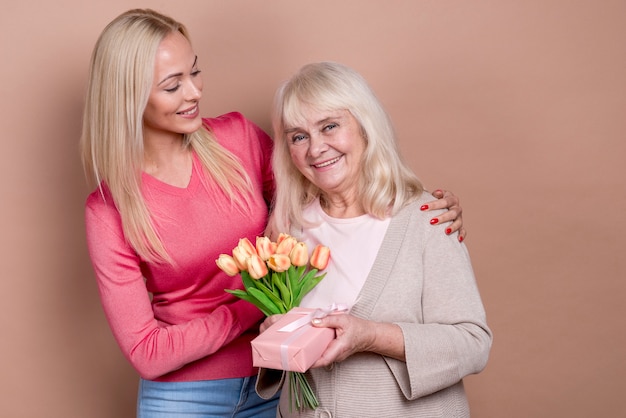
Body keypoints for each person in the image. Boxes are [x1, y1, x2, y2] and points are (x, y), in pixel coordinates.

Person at [80, 9, 466, 418]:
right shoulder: (108, 209)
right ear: (129, 97)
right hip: (182, 400)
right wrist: (261, 304)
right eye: (173, 86)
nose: (194, 93)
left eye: (194, 73)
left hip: (279, 381)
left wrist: (414, 207)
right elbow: (147, 352)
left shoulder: (238, 138)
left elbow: (329, 201)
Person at [256, 62, 492, 417]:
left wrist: (370, 335)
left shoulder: (426, 219)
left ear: (365, 126)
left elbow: (473, 344)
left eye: (330, 126)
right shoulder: (288, 229)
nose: (316, 149)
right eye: (298, 136)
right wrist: (278, 334)